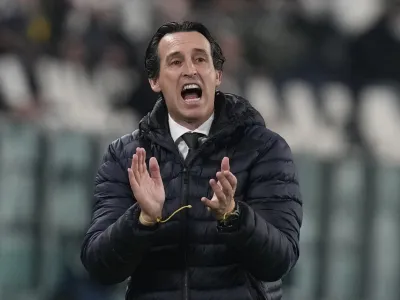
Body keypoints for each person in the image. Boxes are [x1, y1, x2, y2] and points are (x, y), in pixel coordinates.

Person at [80, 21, 303, 300]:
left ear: (217, 74)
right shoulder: (125, 155)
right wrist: (141, 220)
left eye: (200, 59)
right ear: (155, 80)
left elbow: (280, 261)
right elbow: (100, 268)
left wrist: (234, 217)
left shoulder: (265, 149)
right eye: (175, 62)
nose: (190, 69)